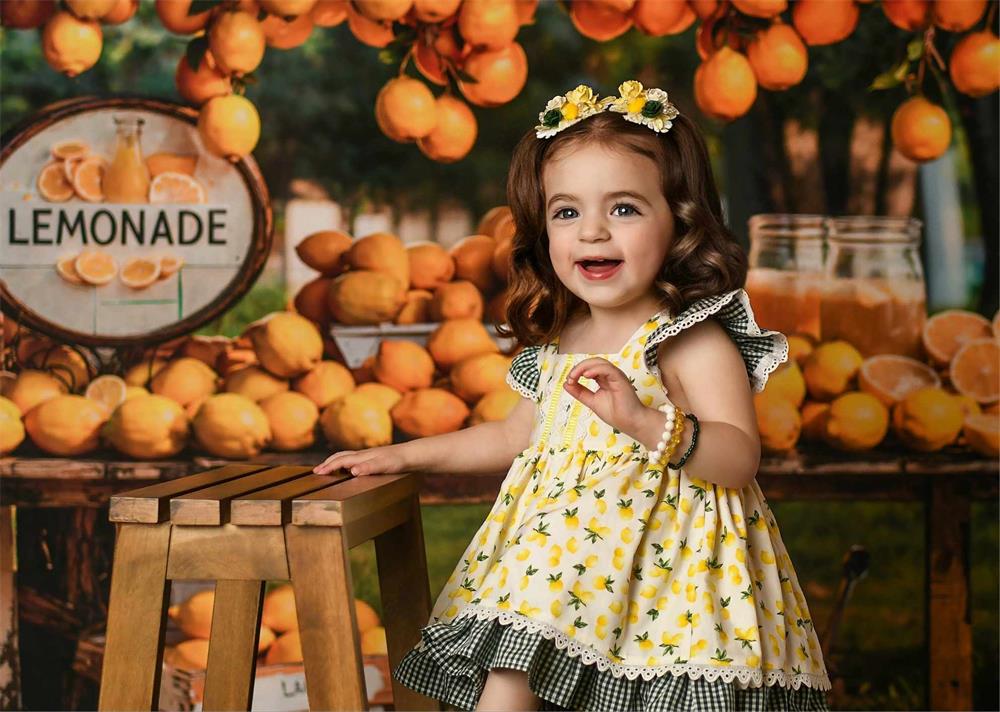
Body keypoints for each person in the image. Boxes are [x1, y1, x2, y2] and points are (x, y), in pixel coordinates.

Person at [313, 81, 830, 711]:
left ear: (680, 222)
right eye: (566, 212)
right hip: (562, 559)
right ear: (543, 230)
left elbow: (738, 456)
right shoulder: (562, 338)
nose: (592, 232)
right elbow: (511, 437)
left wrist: (645, 421)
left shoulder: (689, 339)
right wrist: (403, 456)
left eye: (624, 209)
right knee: (511, 671)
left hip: (671, 579)